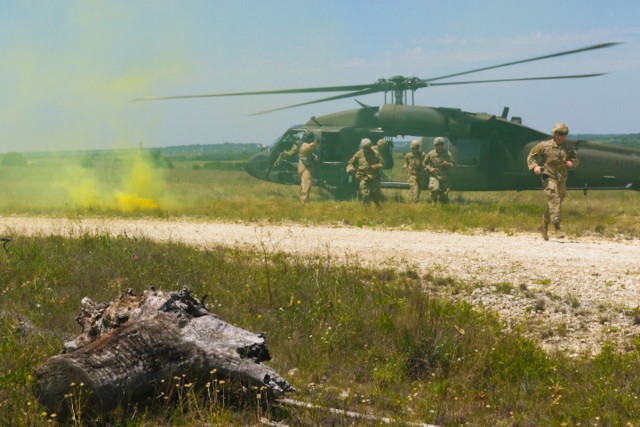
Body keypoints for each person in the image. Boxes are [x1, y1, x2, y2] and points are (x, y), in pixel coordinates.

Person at [527, 122, 579, 240]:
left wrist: (572, 163)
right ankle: (557, 227)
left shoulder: (569, 148)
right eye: (559, 134)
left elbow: (575, 159)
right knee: (554, 199)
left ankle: (543, 225)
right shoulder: (544, 146)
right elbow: (531, 157)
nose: (562, 136)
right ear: (555, 134)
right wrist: (535, 167)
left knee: (556, 202)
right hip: (548, 176)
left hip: (561, 178)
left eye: (564, 134)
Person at [346, 138, 385, 207]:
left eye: (367, 147)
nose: (366, 149)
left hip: (374, 177)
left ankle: (378, 206)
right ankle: (367, 209)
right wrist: (350, 168)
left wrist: (376, 166)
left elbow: (382, 164)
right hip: (363, 177)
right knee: (365, 193)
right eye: (364, 147)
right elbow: (350, 163)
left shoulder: (376, 153)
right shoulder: (359, 154)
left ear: (370, 146)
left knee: (375, 194)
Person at [425, 137, 453, 204]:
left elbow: (452, 163)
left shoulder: (448, 154)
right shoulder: (430, 154)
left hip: (444, 176)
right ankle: (433, 203)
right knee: (435, 189)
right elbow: (424, 163)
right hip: (434, 175)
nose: (440, 146)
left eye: (441, 144)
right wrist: (430, 168)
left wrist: (448, 164)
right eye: (438, 144)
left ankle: (444, 207)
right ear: (435, 145)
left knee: (444, 194)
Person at [297, 132, 320, 203]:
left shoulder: (304, 145)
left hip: (306, 166)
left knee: (305, 183)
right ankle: (304, 199)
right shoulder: (304, 145)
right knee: (308, 182)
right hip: (304, 166)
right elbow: (310, 146)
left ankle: (304, 199)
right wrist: (316, 142)